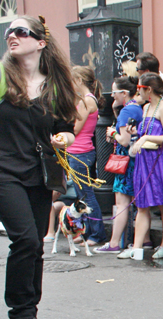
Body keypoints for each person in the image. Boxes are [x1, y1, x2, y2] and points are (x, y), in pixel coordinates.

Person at [0, 15, 77, 319]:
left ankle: (30, 312)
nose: (11, 35)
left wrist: (64, 138)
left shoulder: (56, 86)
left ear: (41, 42)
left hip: (40, 174)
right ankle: (21, 316)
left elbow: (66, 128)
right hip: (0, 172)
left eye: (20, 31)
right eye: (9, 31)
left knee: (35, 244)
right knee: (25, 238)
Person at [116, 73, 163, 260]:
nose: (138, 92)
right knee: (142, 205)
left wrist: (145, 137)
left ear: (149, 90)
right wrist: (136, 133)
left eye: (140, 88)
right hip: (145, 160)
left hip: (160, 160)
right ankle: (137, 247)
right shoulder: (146, 108)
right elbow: (147, 132)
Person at [96, 75, 143, 253]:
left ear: (124, 93)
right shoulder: (137, 108)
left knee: (122, 202)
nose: (112, 95)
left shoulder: (126, 111)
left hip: (125, 161)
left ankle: (114, 242)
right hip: (135, 159)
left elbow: (124, 140)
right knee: (139, 204)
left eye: (114, 92)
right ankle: (144, 240)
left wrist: (112, 133)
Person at [64, 66, 106, 246]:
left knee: (86, 196)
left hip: (80, 152)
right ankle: (88, 232)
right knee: (83, 195)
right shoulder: (88, 99)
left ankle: (96, 234)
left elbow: (75, 129)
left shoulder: (86, 101)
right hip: (80, 151)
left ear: (79, 80)